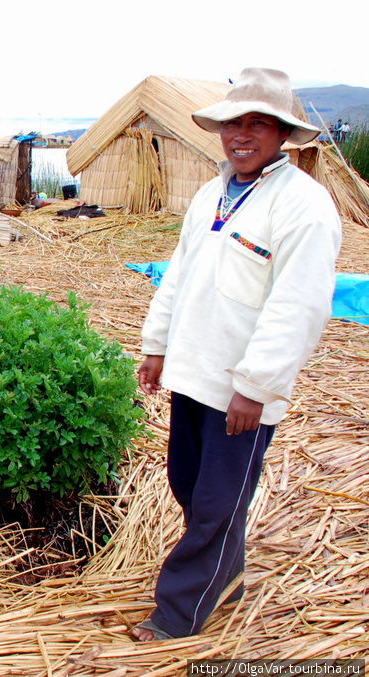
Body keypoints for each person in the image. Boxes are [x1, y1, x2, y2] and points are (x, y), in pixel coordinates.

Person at [132, 68, 341, 641]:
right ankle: (225, 573)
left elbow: (299, 306)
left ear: (281, 134)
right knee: (189, 483)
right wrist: (157, 345)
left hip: (239, 389)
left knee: (218, 503)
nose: (241, 134)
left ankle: (178, 612)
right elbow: (179, 276)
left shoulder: (303, 205)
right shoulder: (211, 194)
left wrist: (257, 384)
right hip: (193, 372)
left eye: (258, 123)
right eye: (233, 123)